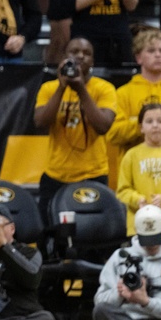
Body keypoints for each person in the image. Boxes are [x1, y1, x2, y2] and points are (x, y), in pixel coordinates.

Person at [33, 37, 117, 223]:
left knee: (93, 232)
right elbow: (40, 122)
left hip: (93, 174)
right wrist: (62, 87)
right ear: (64, 57)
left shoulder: (105, 89)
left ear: (93, 62)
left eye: (87, 53)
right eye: (74, 52)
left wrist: (81, 89)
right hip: (55, 175)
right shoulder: (49, 88)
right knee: (47, 231)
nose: (80, 56)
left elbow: (103, 126)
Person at [93, 204, 161, 320]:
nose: (151, 245)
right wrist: (119, 294)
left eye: (155, 239)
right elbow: (100, 301)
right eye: (146, 240)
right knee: (100, 311)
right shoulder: (120, 256)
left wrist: (146, 302)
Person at [108, 30, 161, 175]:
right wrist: (144, 124)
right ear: (138, 57)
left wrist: (135, 121)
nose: (158, 54)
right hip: (133, 173)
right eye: (151, 50)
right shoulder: (123, 93)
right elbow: (113, 134)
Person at [116, 103, 161, 236]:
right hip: (139, 227)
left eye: (160, 121)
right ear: (141, 128)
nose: (155, 125)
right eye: (149, 121)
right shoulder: (131, 155)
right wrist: (137, 199)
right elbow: (122, 191)